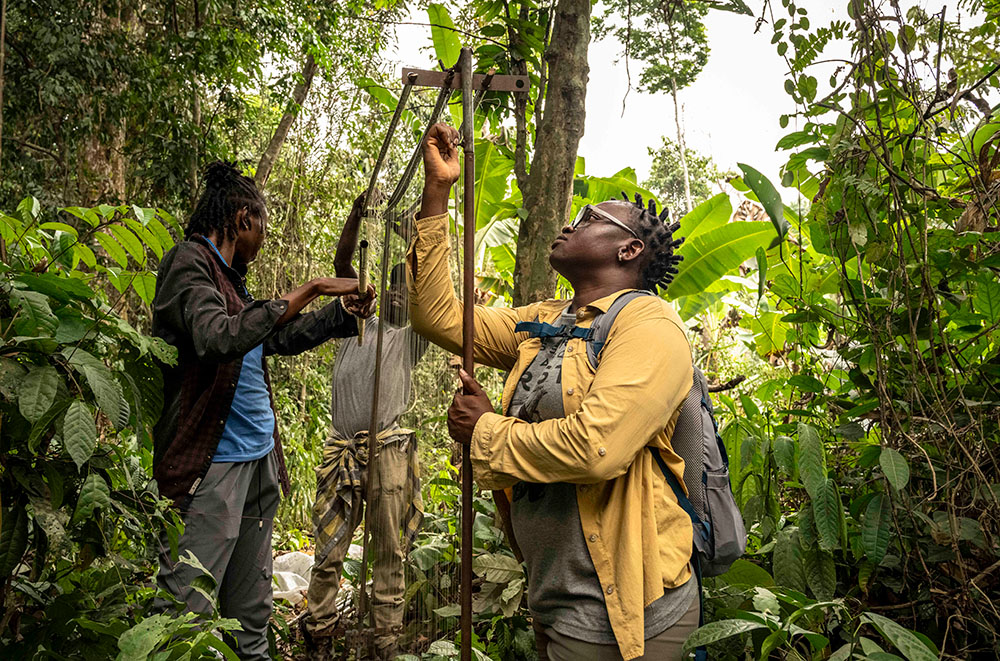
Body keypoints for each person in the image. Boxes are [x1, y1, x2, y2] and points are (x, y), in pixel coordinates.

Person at [407, 124, 697, 661]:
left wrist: (486, 430)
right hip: (555, 591)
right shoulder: (544, 320)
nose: (570, 222)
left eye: (590, 219)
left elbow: (595, 449)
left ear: (629, 249)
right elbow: (438, 316)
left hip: (623, 607)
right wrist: (438, 193)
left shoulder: (650, 327)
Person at [151, 161, 374, 660]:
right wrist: (311, 288)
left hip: (257, 465)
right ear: (241, 218)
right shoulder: (189, 264)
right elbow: (216, 337)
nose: (265, 238)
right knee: (186, 612)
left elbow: (276, 337)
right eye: (263, 226)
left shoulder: (232, 283)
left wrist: (340, 314)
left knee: (250, 612)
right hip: (210, 469)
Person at [304, 195, 429, 661]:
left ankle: (386, 644)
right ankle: (318, 631)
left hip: (387, 450)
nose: (397, 294)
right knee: (329, 547)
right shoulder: (359, 322)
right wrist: (357, 214)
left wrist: (403, 227)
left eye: (405, 289)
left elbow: (430, 278)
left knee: (388, 552)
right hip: (342, 449)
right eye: (392, 286)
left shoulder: (412, 337)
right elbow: (341, 266)